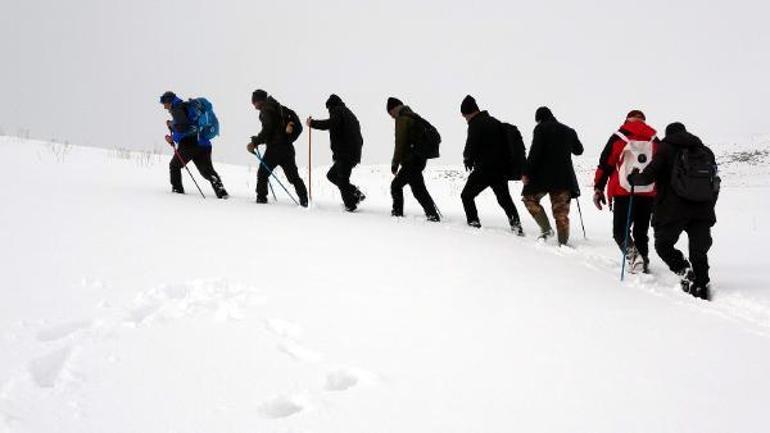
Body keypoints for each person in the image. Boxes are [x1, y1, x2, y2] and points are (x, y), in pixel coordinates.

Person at [629, 122, 720, 300]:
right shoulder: (705, 151)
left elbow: (648, 176)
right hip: (702, 208)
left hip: (673, 210)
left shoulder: (665, 148)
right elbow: (714, 182)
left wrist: (633, 178)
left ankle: (684, 270)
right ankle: (702, 284)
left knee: (663, 245)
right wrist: (709, 205)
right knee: (699, 250)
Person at [593, 110, 659, 273]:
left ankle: (635, 259)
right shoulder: (655, 139)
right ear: (644, 121)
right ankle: (643, 260)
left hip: (623, 190)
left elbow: (606, 164)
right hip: (648, 192)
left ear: (627, 120)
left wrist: (599, 188)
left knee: (620, 230)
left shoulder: (619, 137)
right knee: (641, 231)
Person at [459, 95, 523, 234]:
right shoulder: (495, 122)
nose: (466, 119)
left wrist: (467, 158)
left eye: (465, 116)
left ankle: (474, 223)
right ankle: (516, 226)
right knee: (505, 199)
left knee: (466, 196)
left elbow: (471, 145)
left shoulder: (476, 123)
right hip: (500, 169)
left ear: (470, 112)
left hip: (484, 169)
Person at [522, 106, 583, 245]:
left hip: (541, 178)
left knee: (529, 199)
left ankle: (546, 229)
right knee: (561, 213)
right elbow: (579, 150)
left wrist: (526, 172)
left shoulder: (540, 129)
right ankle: (563, 244)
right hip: (563, 178)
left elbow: (535, 152)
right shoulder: (568, 130)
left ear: (539, 119)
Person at [159, 91, 228, 199]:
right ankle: (222, 193)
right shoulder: (186, 107)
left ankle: (177, 193)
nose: (164, 107)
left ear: (170, 101)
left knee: (174, 166)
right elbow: (188, 125)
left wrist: (172, 137)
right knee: (207, 171)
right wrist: (173, 125)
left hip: (190, 144)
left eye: (164, 103)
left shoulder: (177, 109)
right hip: (204, 143)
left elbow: (183, 128)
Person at [247, 89, 308, 207]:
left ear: (259, 100)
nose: (254, 106)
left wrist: (255, 142)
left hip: (275, 149)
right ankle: (304, 200)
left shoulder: (266, 109)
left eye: (254, 102)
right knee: (293, 177)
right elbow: (277, 129)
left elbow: (268, 130)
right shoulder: (279, 107)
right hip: (287, 148)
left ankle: (261, 199)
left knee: (262, 173)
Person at [306, 94, 365, 211]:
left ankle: (350, 205)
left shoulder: (338, 111)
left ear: (331, 106)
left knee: (342, 179)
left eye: (328, 109)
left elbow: (330, 124)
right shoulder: (348, 114)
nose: (329, 112)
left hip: (346, 153)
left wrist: (313, 123)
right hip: (350, 153)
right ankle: (355, 193)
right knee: (332, 175)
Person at [386, 97, 440, 222]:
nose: (391, 117)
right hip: (419, 158)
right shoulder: (413, 115)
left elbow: (400, 143)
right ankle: (432, 214)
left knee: (396, 186)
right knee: (418, 188)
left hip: (412, 160)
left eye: (390, 113)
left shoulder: (402, 118)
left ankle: (397, 214)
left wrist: (395, 163)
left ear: (394, 108)